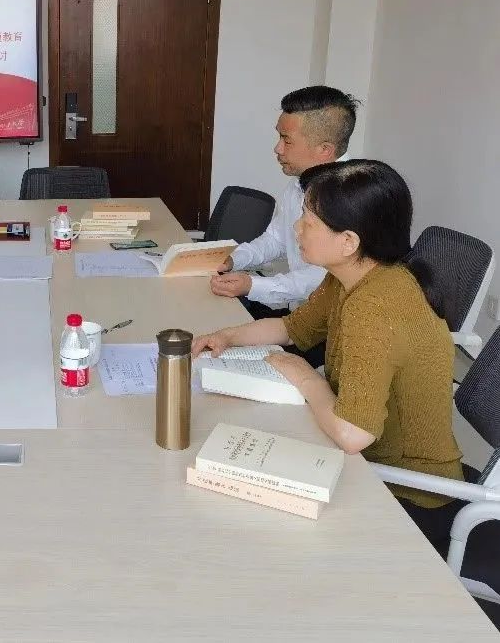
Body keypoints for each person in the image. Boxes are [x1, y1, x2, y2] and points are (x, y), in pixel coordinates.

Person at [193, 160, 464, 552]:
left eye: (309, 221)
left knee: (244, 519)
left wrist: (305, 376)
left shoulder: (374, 306)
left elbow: (353, 434)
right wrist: (226, 336)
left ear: (348, 241)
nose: (297, 229)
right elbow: (292, 328)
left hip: (407, 493)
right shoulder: (353, 275)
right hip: (366, 459)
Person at [211, 86, 359, 319]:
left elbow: (323, 278)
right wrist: (232, 259)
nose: (277, 148)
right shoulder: (298, 183)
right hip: (298, 316)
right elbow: (275, 240)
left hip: (332, 329)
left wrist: (253, 285)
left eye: (286, 140)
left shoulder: (354, 197)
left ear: (324, 150)